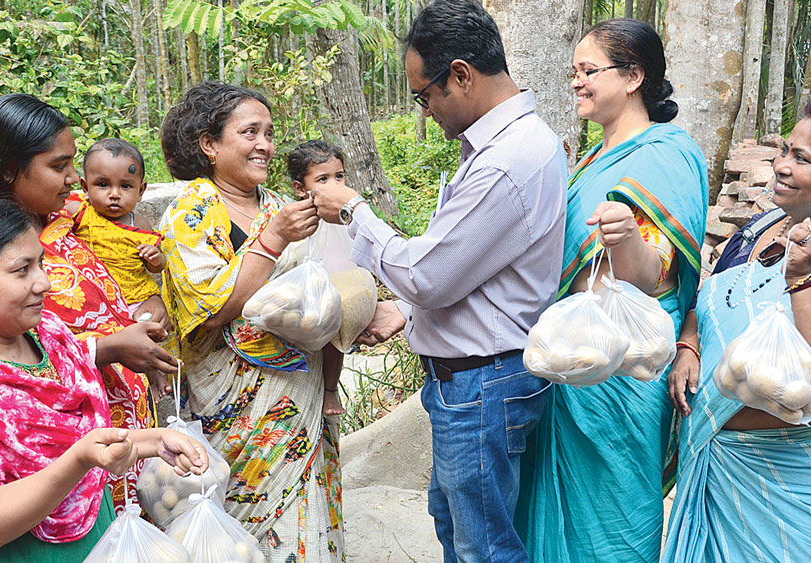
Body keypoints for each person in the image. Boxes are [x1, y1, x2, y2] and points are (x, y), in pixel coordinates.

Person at [312, 1, 567, 559]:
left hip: (482, 384)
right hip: (476, 381)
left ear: (460, 75)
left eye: (423, 95)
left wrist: (355, 210)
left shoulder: (508, 158)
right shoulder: (501, 149)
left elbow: (429, 274)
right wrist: (405, 309)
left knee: (483, 548)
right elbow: (469, 264)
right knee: (458, 526)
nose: (425, 112)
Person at [0, 181, 208, 562]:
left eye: (41, 263)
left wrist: (155, 441)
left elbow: (88, 443)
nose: (43, 283)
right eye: (21, 270)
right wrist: (78, 460)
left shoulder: (48, 338)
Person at [663, 95, 811, 561]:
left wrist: (803, 280)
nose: (781, 166)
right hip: (721, 466)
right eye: (785, 150)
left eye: (801, 158)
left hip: (801, 484)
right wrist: (689, 342)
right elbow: (710, 297)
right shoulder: (763, 226)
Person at [513, 18, 709, 562]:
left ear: (633, 77)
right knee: (553, 513)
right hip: (571, 357)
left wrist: (624, 239)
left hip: (624, 368)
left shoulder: (667, 152)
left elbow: (649, 277)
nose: (577, 81)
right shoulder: (587, 160)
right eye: (574, 71)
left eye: (588, 71)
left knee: (617, 514)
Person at [0, 93, 177, 512]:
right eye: (58, 167)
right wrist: (111, 348)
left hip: (120, 448)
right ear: (11, 170)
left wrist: (151, 300)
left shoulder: (70, 215)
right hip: (55, 467)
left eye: (72, 164)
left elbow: (129, 259)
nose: (72, 179)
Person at [158, 82, 346, 561]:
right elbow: (213, 310)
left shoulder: (279, 203)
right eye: (250, 132)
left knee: (308, 517)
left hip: (298, 392)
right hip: (232, 410)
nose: (265, 144)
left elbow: (317, 286)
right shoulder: (189, 211)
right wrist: (273, 239)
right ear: (209, 144)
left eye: (268, 132)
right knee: (241, 537)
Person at [286, 139, 353, 416]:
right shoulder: (295, 216)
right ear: (301, 189)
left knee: (336, 334)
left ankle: (330, 390)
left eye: (339, 176)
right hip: (310, 280)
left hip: (339, 276)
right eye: (323, 179)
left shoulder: (346, 214)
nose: (334, 185)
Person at [68, 138, 164, 317]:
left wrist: (155, 258)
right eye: (103, 185)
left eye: (125, 186)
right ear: (85, 188)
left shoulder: (140, 224)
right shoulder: (80, 214)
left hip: (136, 300)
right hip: (91, 300)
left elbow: (156, 268)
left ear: (141, 191)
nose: (114, 194)